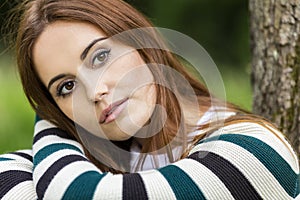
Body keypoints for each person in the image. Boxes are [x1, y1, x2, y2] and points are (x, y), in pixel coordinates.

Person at [1, 0, 299, 199]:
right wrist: (54, 116)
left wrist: (47, 118)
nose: (94, 92)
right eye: (66, 87)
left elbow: (80, 193)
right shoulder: (118, 160)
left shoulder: (254, 152)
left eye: (100, 56)